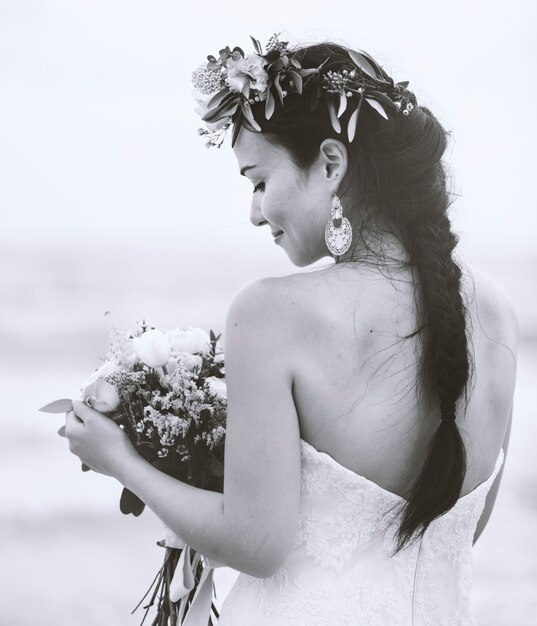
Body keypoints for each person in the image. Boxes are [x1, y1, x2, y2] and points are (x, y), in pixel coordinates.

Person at [65, 36, 518, 624]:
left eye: (258, 181)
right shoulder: (496, 311)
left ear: (331, 164)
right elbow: (463, 530)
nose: (255, 212)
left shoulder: (271, 314)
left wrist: (120, 458)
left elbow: (256, 545)